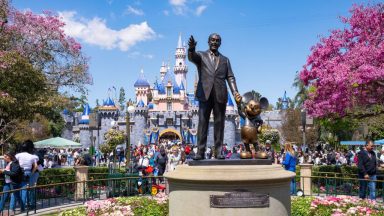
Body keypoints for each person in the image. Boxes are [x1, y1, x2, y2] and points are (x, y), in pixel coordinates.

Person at [188, 33, 242, 160]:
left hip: (220, 94)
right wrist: (191, 49)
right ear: (208, 41)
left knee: (219, 123)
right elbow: (192, 58)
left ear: (220, 43)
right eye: (212, 40)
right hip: (205, 94)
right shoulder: (201, 55)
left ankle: (218, 151)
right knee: (202, 123)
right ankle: (200, 152)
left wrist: (235, 92)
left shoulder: (225, 60)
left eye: (217, 40)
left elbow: (230, 77)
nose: (214, 42)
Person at [15, 140, 38, 207]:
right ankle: (31, 204)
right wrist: (31, 173)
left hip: (20, 172)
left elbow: (14, 163)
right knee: (30, 189)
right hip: (28, 172)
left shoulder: (18, 155)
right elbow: (36, 166)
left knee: (22, 189)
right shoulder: (32, 156)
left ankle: (23, 205)